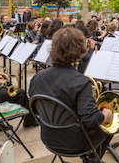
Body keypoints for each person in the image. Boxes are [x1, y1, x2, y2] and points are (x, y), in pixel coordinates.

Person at [29, 28, 113, 162]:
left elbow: (34, 109)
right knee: (109, 124)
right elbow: (92, 120)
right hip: (76, 143)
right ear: (79, 52)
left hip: (49, 137)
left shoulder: (37, 78)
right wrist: (107, 114)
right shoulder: (81, 82)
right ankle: (91, 158)